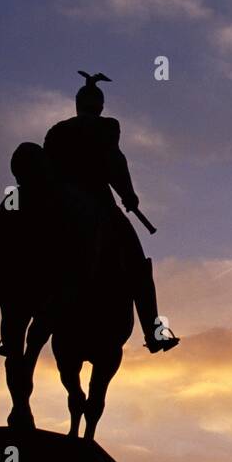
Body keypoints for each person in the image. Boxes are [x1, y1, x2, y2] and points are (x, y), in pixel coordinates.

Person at [43, 72, 179, 354]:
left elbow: (48, 170)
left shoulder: (57, 130)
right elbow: (114, 160)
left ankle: (12, 329)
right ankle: (154, 331)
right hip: (98, 203)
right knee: (138, 264)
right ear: (100, 106)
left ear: (78, 105)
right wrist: (128, 195)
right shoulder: (107, 127)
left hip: (58, 207)